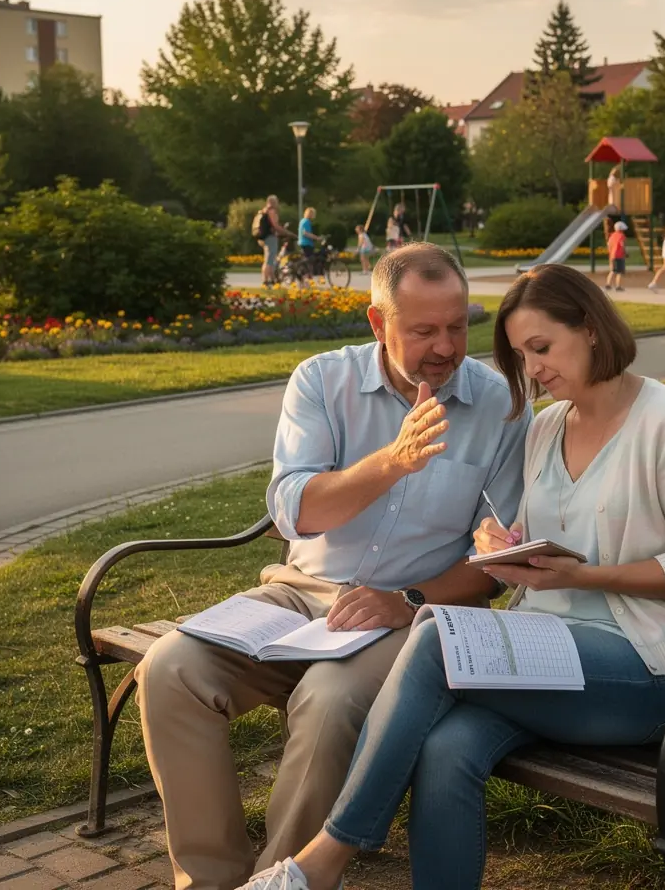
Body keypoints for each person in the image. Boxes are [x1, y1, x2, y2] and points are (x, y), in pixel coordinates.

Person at [238, 263, 665, 890]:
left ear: (592, 330)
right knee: (447, 750)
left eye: (542, 348)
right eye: (521, 355)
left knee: (438, 635)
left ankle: (322, 859)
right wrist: (496, 543)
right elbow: (519, 532)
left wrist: (585, 576)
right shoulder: (548, 425)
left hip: (648, 672)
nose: (532, 370)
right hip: (549, 653)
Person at [136, 243, 531, 890]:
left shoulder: (501, 408)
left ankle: (285, 881)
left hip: (412, 615)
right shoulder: (322, 380)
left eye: (457, 327)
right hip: (299, 596)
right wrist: (391, 462)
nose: (446, 346)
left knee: (328, 700)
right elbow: (297, 513)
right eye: (423, 330)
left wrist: (404, 599)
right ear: (379, 324)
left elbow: (495, 566)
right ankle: (211, 881)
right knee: (170, 670)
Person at [253, 196, 295, 285]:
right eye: (276, 201)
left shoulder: (263, 211)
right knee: (269, 260)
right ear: (273, 202)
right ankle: (266, 280)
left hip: (263, 238)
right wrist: (288, 233)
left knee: (268, 259)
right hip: (270, 237)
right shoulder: (271, 211)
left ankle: (271, 279)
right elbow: (275, 226)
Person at [605, 220, 627, 292]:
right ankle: (618, 286)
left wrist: (610, 252)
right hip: (619, 255)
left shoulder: (612, 235)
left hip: (612, 255)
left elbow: (608, 245)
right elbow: (622, 244)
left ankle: (608, 284)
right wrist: (625, 252)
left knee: (612, 270)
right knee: (619, 271)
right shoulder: (621, 236)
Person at [298, 207, 318, 276]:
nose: (314, 215)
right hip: (306, 243)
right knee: (309, 259)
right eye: (313, 214)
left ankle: (305, 274)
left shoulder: (302, 220)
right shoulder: (306, 221)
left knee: (307, 259)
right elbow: (305, 233)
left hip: (303, 242)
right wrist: (316, 238)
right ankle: (306, 274)